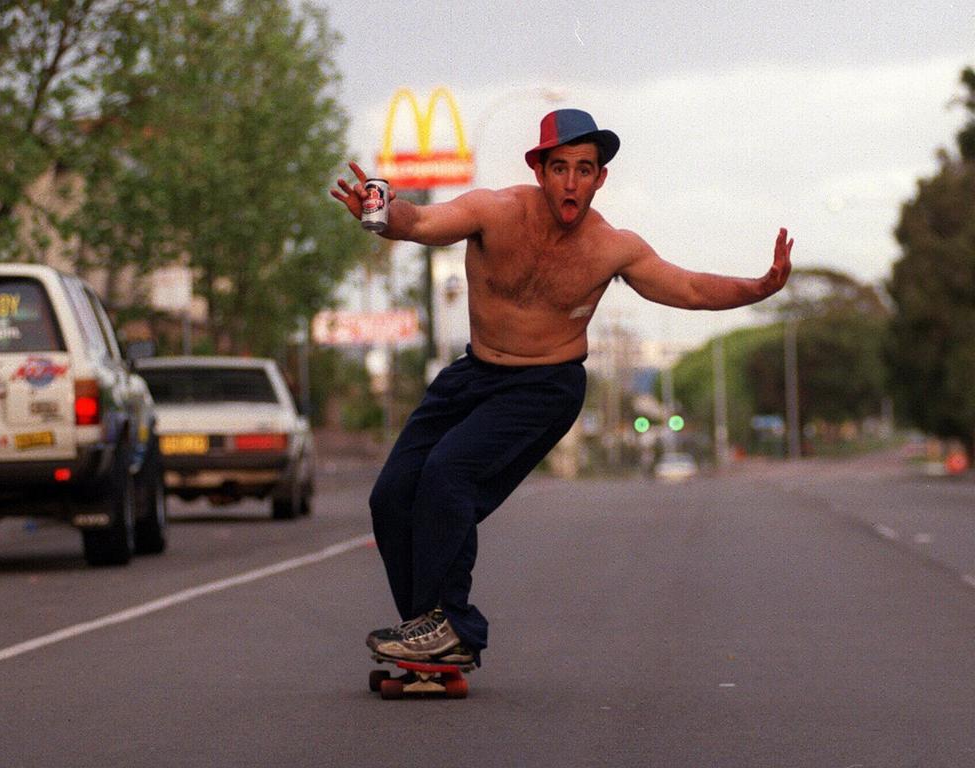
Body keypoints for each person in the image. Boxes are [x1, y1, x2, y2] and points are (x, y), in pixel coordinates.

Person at [330, 108, 792, 666]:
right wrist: (380, 213)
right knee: (391, 496)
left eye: (584, 169)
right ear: (540, 170)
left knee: (449, 474)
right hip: (474, 374)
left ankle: (448, 624)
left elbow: (688, 288)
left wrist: (759, 287)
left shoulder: (612, 247)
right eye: (560, 168)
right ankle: (428, 631)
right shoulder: (493, 210)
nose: (571, 182)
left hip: (545, 385)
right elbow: (423, 222)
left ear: (600, 178)